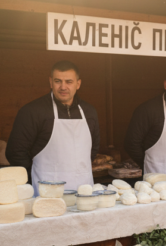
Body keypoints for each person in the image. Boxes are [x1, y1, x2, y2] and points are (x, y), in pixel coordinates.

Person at [6, 60, 99, 193]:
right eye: (57, 81)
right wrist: (33, 176)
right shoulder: (33, 111)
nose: (63, 87)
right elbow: (15, 152)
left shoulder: (89, 112)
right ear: (50, 82)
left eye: (69, 82)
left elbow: (93, 148)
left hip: (84, 192)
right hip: (46, 193)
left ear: (78, 84)